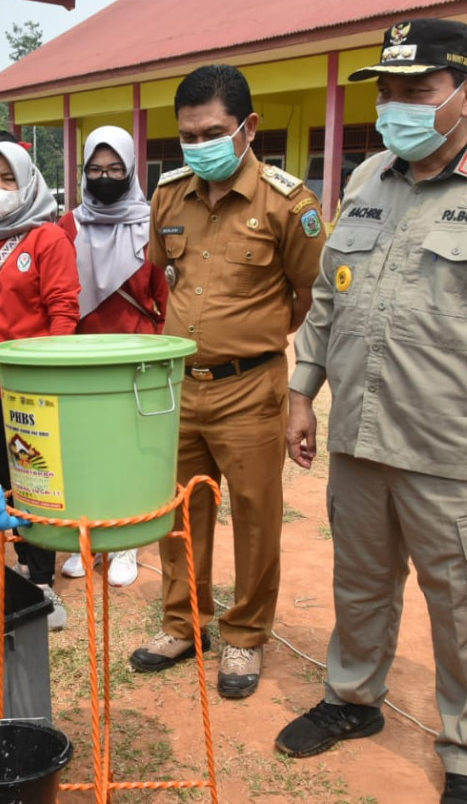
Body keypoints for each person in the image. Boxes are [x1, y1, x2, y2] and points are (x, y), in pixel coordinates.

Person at [275, 20, 467, 804]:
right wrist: (300, 391)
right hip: (360, 438)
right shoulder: (366, 181)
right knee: (359, 585)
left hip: (462, 453)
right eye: (386, 92)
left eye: (415, 92)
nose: (395, 107)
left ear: (466, 92)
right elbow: (327, 299)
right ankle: (353, 700)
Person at [128, 65, 324, 700]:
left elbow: (306, 295)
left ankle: (244, 635)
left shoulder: (288, 203)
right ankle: (184, 624)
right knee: (180, 512)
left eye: (212, 131)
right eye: (187, 135)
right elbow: (163, 280)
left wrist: (252, 340)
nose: (198, 144)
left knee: (256, 516)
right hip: (179, 386)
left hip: (251, 388)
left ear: (248, 127)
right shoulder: (169, 194)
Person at [0, 141, 79, 630]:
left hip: (32, 389)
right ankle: (28, 563)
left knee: (37, 482)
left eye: (9, 180)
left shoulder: (47, 239)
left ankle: (44, 581)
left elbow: (63, 311)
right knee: (8, 479)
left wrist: (44, 374)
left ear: (28, 183)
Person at [57, 125, 166, 587]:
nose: (105, 177)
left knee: (129, 453)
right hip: (83, 358)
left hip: (134, 356)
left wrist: (157, 348)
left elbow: (163, 295)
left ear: (131, 170)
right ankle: (90, 539)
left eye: (115, 168)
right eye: (95, 169)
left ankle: (126, 544)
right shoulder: (68, 224)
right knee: (86, 452)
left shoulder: (150, 222)